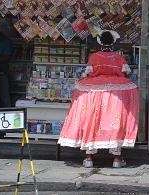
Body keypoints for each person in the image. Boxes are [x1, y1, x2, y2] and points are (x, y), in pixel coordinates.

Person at [57, 30, 139, 168]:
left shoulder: (94, 57)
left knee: (92, 120)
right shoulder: (118, 57)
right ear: (113, 42)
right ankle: (117, 159)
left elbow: (89, 73)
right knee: (115, 121)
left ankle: (89, 158)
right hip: (116, 93)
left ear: (100, 41)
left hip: (94, 92)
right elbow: (125, 73)